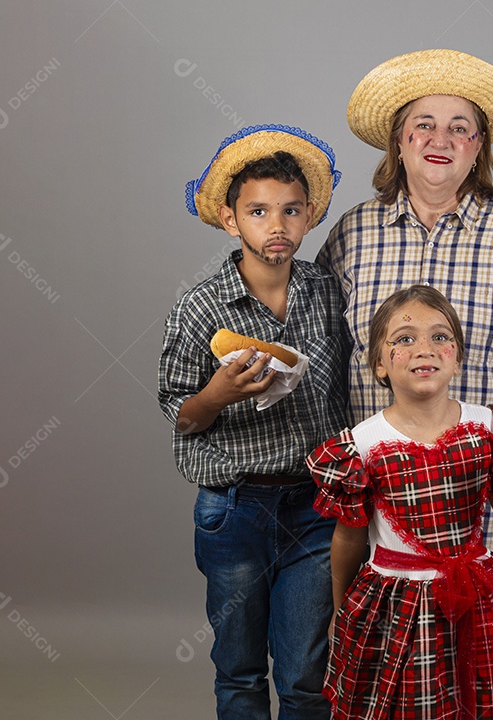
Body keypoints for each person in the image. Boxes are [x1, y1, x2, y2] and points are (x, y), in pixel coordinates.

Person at [317, 49, 493, 585]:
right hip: (375, 508)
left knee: (477, 659)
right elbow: (325, 357)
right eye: (423, 125)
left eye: (459, 128)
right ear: (399, 143)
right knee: (385, 660)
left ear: (478, 148)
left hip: (483, 514)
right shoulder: (351, 235)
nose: (439, 140)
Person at [158, 124, 349, 720]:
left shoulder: (328, 292)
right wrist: (217, 393)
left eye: (291, 211)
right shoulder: (200, 308)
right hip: (235, 508)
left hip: (315, 509)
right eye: (259, 211)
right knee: (239, 669)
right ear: (229, 218)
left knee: (305, 674)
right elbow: (183, 420)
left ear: (311, 215)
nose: (278, 226)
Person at [306, 284, 493, 720]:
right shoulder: (361, 446)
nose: (424, 348)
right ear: (380, 365)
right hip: (397, 601)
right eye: (404, 339)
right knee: (405, 702)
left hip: (476, 598)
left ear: (457, 357)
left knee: (481, 701)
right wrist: (339, 610)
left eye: (440, 336)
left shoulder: (488, 429)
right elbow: (348, 540)